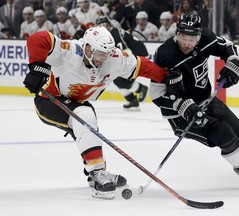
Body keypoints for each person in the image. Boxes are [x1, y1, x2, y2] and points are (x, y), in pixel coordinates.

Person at [23, 26, 168, 199]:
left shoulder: (113, 58)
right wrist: (37, 66)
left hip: (77, 103)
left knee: (88, 125)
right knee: (85, 116)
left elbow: (142, 65)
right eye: (100, 53)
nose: (104, 58)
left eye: (107, 53)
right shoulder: (71, 52)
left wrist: (167, 77)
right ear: (88, 48)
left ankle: (97, 174)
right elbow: (39, 39)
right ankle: (98, 176)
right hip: (48, 100)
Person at [151, 14, 239, 191]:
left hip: (208, 100)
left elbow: (228, 47)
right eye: (183, 38)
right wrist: (181, 105)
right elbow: (156, 95)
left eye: (192, 39)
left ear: (199, 35)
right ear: (177, 34)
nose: (187, 44)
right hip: (180, 113)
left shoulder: (206, 37)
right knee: (222, 132)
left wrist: (233, 63)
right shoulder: (165, 55)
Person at [96, 15, 149, 110]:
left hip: (139, 55)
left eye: (103, 24)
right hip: (134, 54)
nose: (102, 27)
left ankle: (140, 88)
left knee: (118, 78)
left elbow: (125, 51)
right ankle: (132, 100)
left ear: (108, 24)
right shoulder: (109, 34)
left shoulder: (114, 33)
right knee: (116, 79)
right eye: (99, 26)